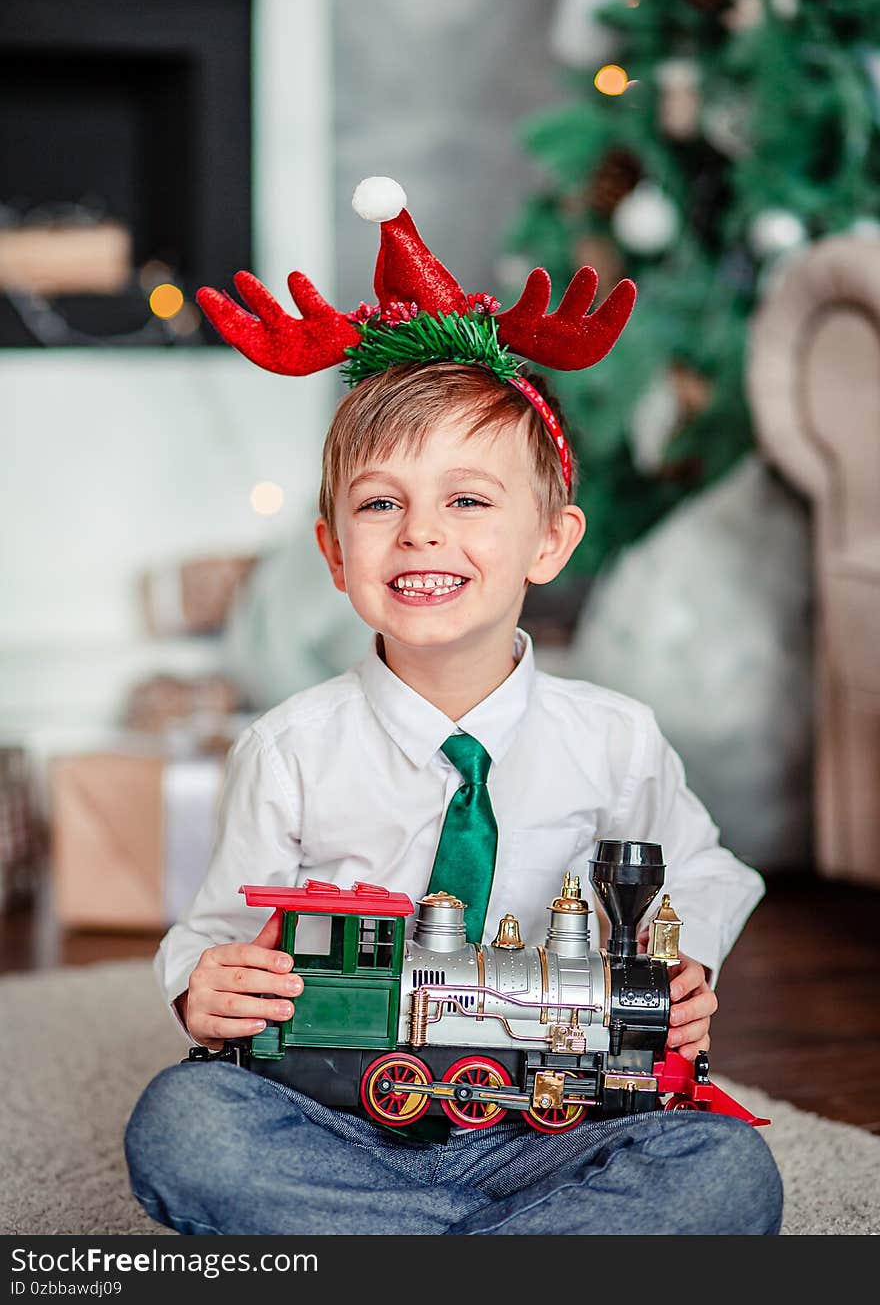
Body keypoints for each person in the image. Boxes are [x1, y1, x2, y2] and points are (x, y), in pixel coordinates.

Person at [124, 179, 783, 1236]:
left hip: (553, 1124)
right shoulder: (289, 746)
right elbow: (215, 928)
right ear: (336, 553)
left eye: (468, 500)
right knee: (184, 1125)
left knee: (724, 1172)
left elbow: (703, 867)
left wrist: (686, 956)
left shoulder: (615, 736)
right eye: (381, 503)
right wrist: (200, 982)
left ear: (550, 542)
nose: (421, 533)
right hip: (337, 1118)